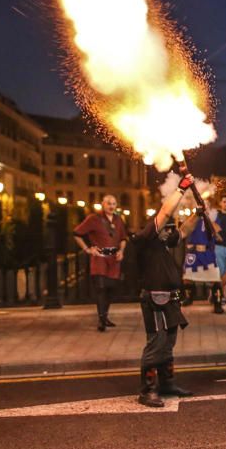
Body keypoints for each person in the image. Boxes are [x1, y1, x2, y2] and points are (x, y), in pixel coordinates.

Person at [131, 172, 195, 407]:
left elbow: (185, 230)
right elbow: (166, 212)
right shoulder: (144, 238)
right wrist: (181, 188)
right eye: (162, 226)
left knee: (168, 343)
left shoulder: (161, 240)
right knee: (156, 343)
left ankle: (167, 384)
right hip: (155, 299)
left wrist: (199, 211)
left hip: (171, 299)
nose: (167, 228)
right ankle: (147, 390)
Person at [73, 194, 128, 331]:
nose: (111, 206)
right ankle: (101, 319)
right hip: (100, 257)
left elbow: (123, 238)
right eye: (108, 203)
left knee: (110, 289)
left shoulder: (118, 220)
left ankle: (105, 316)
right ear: (103, 204)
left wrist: (121, 251)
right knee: (101, 288)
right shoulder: (94, 219)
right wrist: (87, 249)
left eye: (113, 203)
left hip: (114, 258)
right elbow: (77, 233)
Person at [180, 200, 224, 315]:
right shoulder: (193, 217)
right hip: (193, 252)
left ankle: (217, 303)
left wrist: (207, 216)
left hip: (207, 252)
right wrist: (196, 215)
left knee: (215, 279)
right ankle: (189, 298)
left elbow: (217, 231)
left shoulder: (214, 217)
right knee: (187, 277)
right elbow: (184, 229)